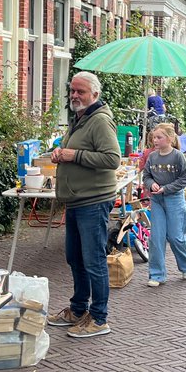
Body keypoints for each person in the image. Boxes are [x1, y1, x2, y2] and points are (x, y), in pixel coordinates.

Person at [46, 71, 121, 339]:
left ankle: (99, 318)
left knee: (94, 260)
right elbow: (77, 152)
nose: (75, 96)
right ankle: (78, 310)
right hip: (76, 200)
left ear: (95, 95)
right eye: (73, 91)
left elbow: (112, 159)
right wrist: (61, 153)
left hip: (93, 201)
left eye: (81, 92)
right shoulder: (80, 119)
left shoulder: (100, 121)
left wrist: (73, 155)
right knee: (75, 257)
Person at [141, 123, 186, 286]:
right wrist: (151, 185)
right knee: (156, 238)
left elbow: (185, 179)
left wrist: (166, 188)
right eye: (154, 137)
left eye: (159, 137)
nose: (155, 140)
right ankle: (156, 275)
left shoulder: (178, 156)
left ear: (170, 139)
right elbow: (146, 176)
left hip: (174, 200)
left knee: (175, 236)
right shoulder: (152, 157)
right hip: (157, 201)